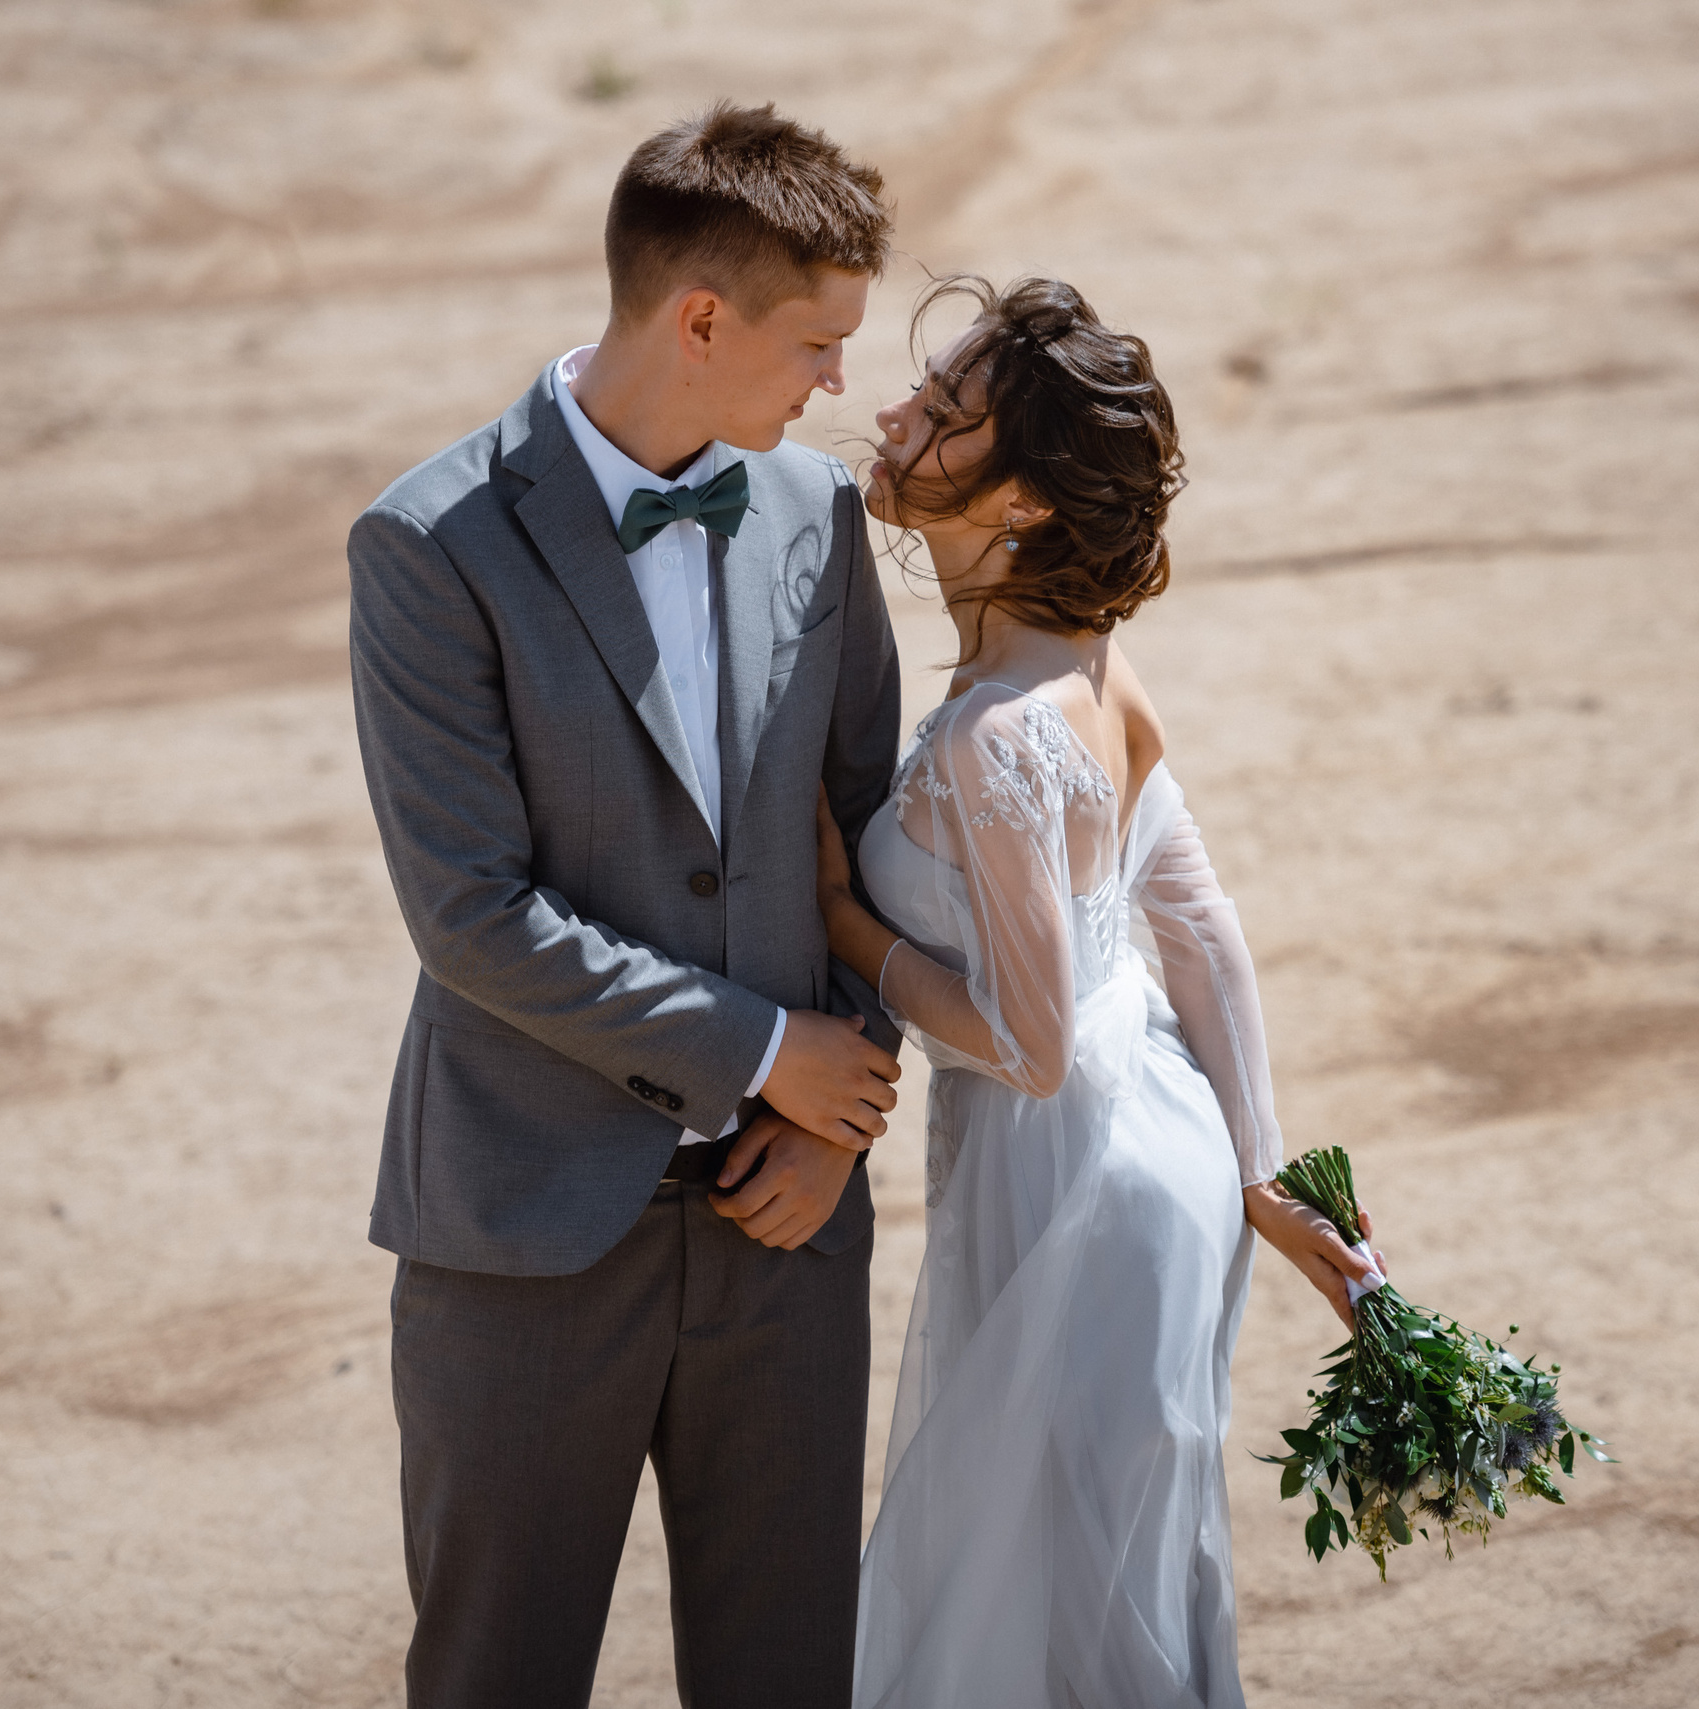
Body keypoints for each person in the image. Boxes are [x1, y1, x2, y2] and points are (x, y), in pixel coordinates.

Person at [348, 102, 906, 1707]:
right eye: (819, 342)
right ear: (703, 317)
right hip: (524, 1233)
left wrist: (838, 1105)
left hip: (788, 1231)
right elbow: (471, 913)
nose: (838, 386)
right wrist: (761, 1051)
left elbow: (872, 841)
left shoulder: (817, 515)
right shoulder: (426, 545)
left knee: (791, 1673)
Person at [818, 277, 1381, 1708]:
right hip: (1169, 1162)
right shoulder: (1097, 672)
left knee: (1025, 1605)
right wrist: (1262, 1170)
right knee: (1109, 1598)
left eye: (944, 415)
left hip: (1073, 1188)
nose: (893, 415)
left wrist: (846, 924)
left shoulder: (996, 740)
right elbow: (1197, 927)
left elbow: (1031, 1041)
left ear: (1022, 507)